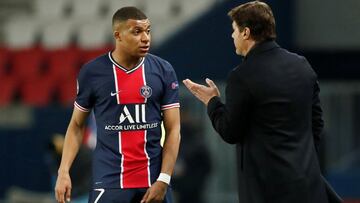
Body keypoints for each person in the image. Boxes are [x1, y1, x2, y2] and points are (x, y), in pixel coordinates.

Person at [183, 1, 340, 203]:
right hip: (306, 184)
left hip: (266, 191)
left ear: (246, 33)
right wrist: (302, 160)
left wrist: (212, 101)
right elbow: (316, 125)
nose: (232, 36)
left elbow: (230, 131)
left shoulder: (242, 76)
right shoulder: (301, 65)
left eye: (234, 30)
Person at [55, 7, 181, 203]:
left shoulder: (163, 70)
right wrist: (63, 172)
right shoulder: (93, 72)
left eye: (148, 31)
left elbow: (174, 128)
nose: (146, 38)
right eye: (137, 32)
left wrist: (164, 179)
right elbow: (77, 125)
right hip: (109, 182)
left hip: (154, 182)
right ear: (118, 35)